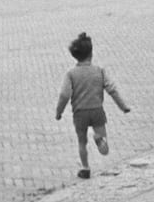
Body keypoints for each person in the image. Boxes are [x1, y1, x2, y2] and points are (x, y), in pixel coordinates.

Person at [55, 32, 131, 179]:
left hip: (80, 113)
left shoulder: (71, 74)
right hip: (97, 111)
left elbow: (64, 95)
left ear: (75, 55)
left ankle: (85, 168)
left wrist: (59, 112)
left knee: (82, 141)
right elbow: (111, 89)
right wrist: (123, 106)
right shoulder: (99, 71)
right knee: (104, 148)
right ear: (91, 53)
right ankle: (99, 139)